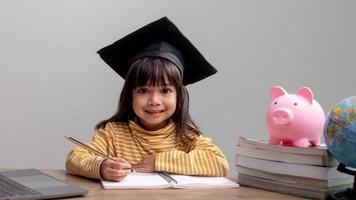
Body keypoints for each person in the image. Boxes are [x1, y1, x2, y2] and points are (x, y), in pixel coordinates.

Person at [65, 17, 229, 182]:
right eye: (143, 90)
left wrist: (158, 161)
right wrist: (101, 166)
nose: (154, 100)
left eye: (165, 90)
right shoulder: (113, 134)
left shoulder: (185, 135)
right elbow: (74, 159)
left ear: (178, 96)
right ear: (130, 95)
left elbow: (219, 163)